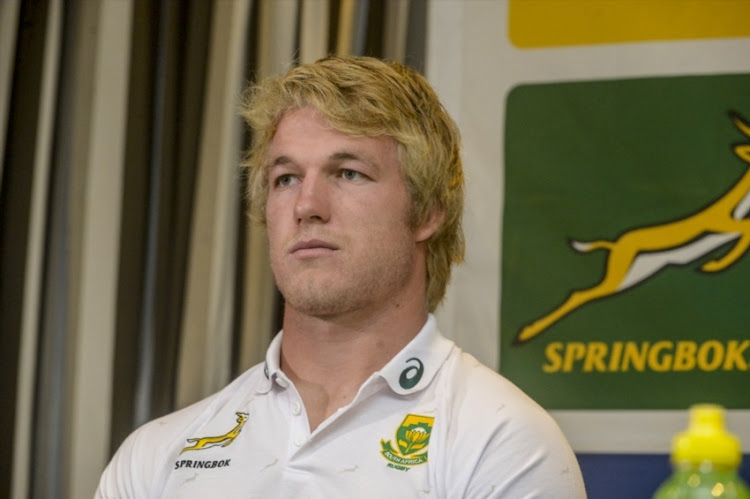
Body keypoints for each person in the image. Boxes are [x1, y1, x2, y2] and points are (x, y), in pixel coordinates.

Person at [95, 56, 587, 498]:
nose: (307, 206)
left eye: (348, 173)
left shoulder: (502, 443)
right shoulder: (155, 457)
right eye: (286, 178)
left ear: (428, 211)